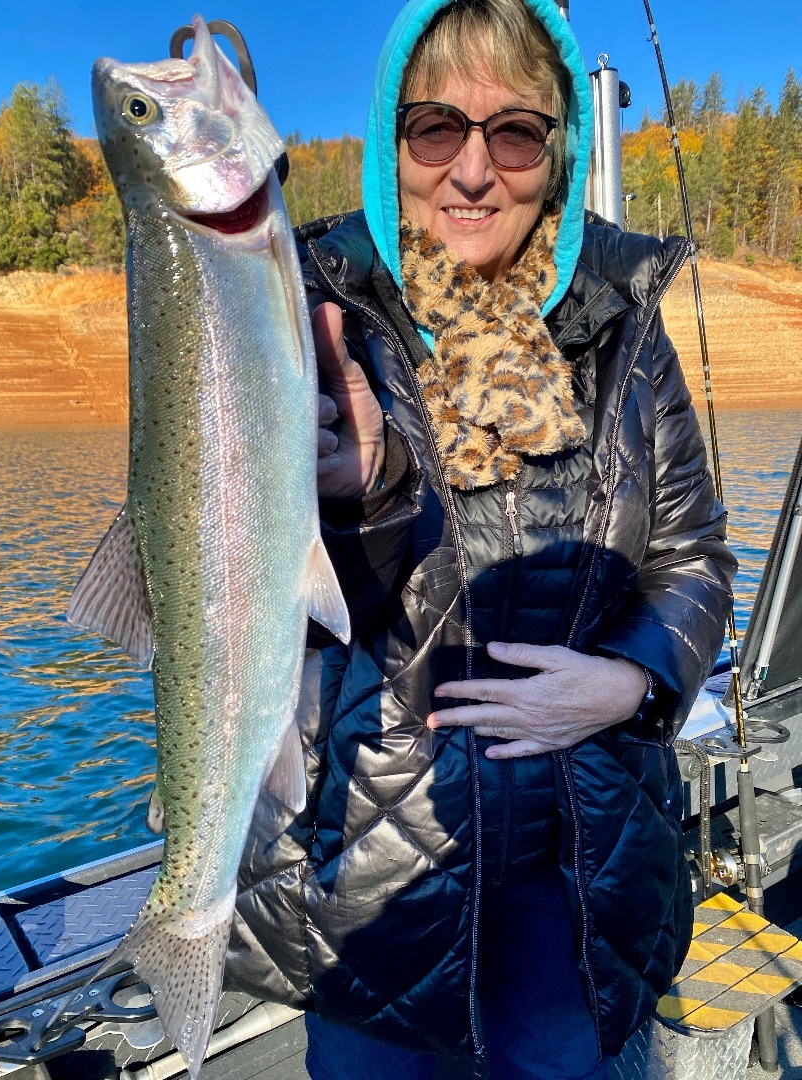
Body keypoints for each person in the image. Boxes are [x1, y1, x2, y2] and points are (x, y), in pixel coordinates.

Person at [224, 1, 737, 1076]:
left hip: (585, 885)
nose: (472, 170)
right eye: (433, 129)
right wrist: (355, 497)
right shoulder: (305, 312)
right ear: (386, 140)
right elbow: (245, 588)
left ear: (559, 153)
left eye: (514, 132)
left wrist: (630, 682)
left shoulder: (625, 323)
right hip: (369, 890)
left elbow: (692, 556)